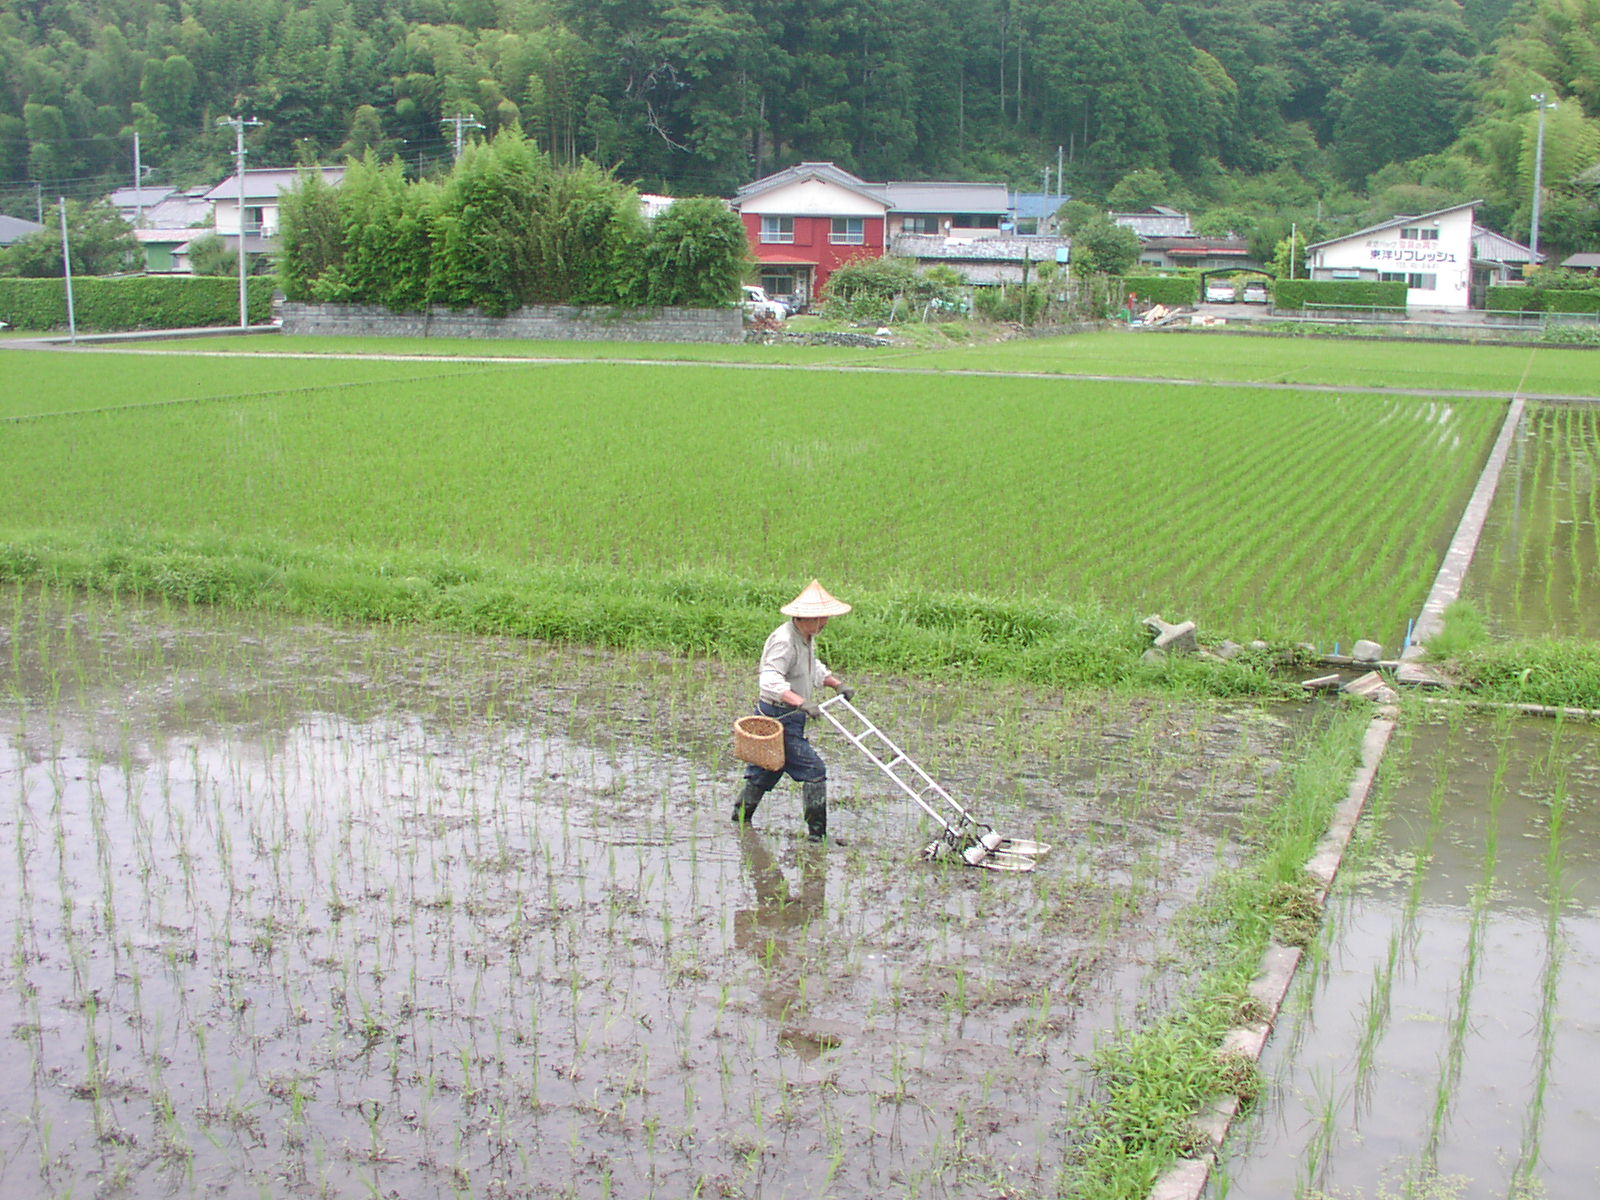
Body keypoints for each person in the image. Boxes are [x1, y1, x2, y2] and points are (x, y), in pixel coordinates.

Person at [733, 579, 854, 841]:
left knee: (767, 769)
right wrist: (801, 701)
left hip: (790, 717)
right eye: (820, 618)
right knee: (814, 771)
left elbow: (812, 667)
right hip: (779, 717)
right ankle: (816, 836)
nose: (824, 623)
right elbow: (769, 679)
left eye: (826, 618)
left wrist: (836, 684)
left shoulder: (807, 637)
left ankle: (739, 818)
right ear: (803, 617)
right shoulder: (785, 641)